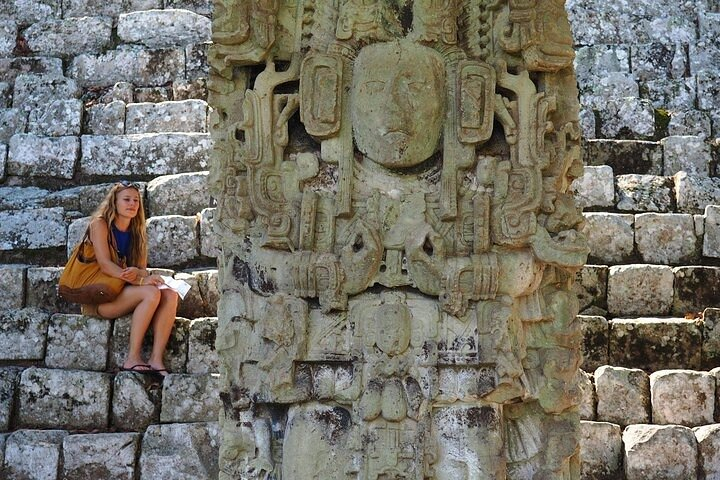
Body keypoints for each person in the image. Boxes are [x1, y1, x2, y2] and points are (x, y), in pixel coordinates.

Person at [81, 181, 178, 376]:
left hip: (125, 291)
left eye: (136, 200)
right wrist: (141, 280)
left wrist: (143, 275)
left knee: (170, 293)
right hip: (101, 296)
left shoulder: (137, 231)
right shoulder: (99, 224)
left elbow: (141, 270)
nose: (132, 204)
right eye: (126, 199)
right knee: (150, 293)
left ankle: (156, 359)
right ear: (114, 203)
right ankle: (132, 358)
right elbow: (105, 265)